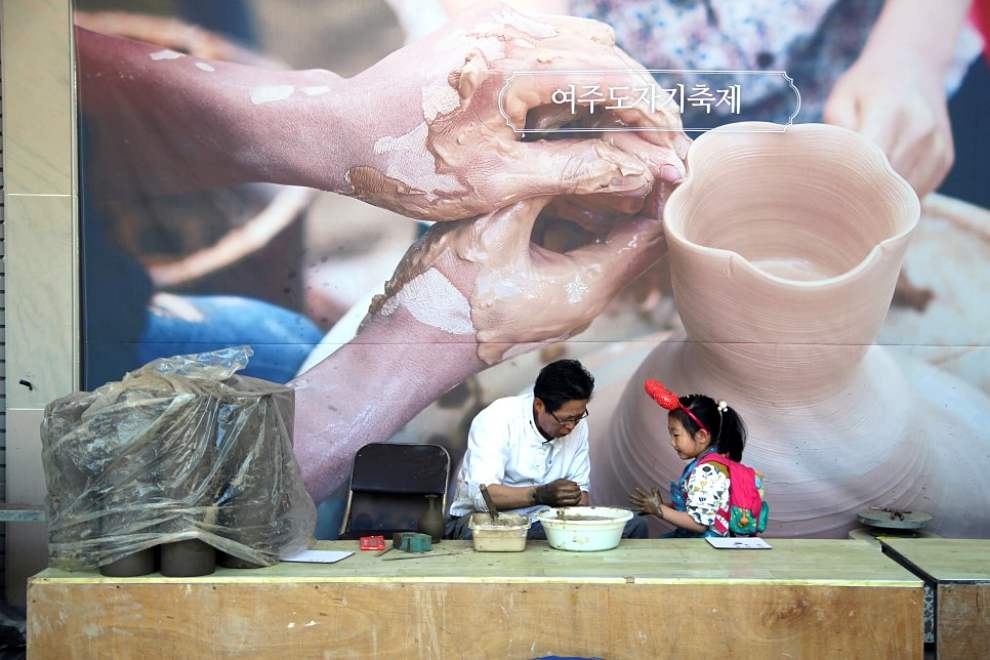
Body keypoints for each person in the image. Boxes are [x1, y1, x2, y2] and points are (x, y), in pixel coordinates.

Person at [445, 359, 649, 539]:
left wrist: (572, 497)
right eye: (565, 419)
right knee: (515, 536)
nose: (571, 426)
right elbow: (482, 497)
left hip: (545, 521)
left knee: (634, 525)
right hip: (485, 522)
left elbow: (582, 496)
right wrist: (539, 495)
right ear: (539, 405)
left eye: (578, 417)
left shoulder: (577, 426)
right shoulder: (497, 418)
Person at [629, 380, 753, 538]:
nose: (672, 442)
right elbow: (698, 504)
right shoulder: (706, 464)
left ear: (701, 436)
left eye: (676, 435)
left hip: (706, 549)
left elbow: (699, 523)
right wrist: (661, 506)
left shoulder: (707, 472)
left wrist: (659, 510)